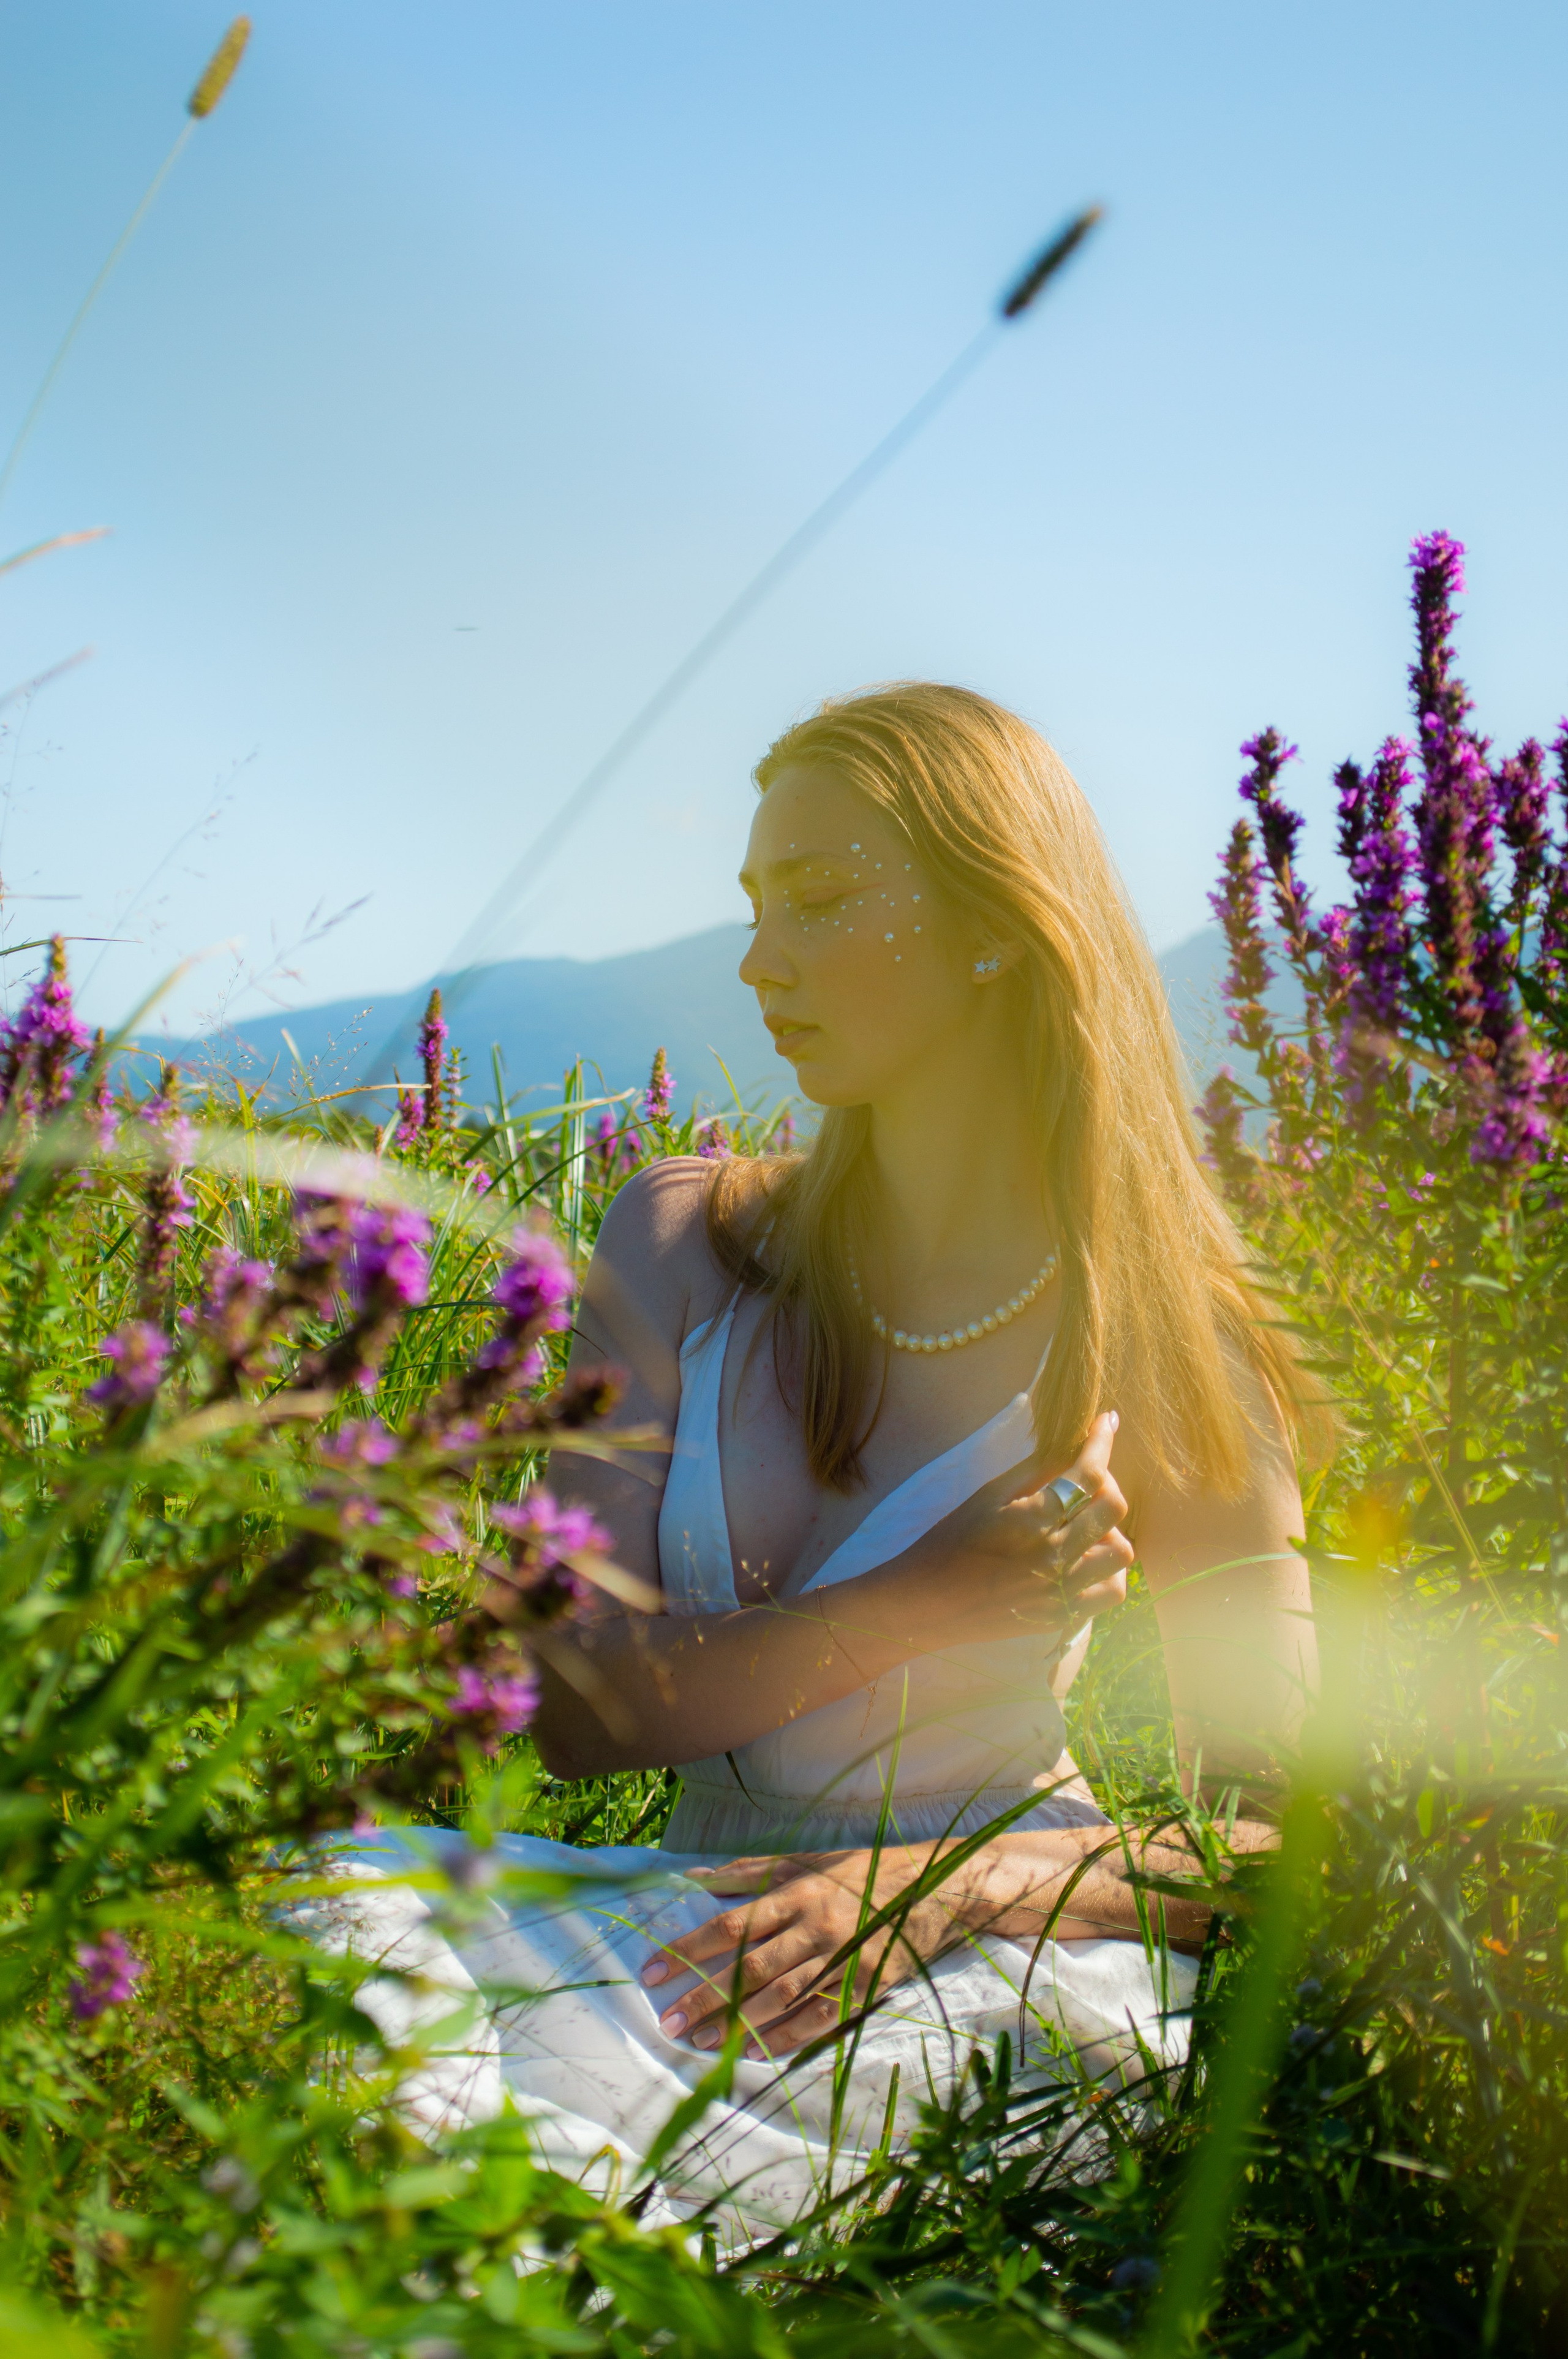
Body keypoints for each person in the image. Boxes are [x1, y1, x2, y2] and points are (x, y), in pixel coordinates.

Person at [306, 684, 1317, 2245]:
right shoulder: (679, 1242)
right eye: (754, 906)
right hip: (691, 1910)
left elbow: (1284, 1845)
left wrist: (942, 1891)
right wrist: (936, 1597)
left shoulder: (1165, 1335)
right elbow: (567, 1711)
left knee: (587, 2200)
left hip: (993, 1948)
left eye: (824, 901)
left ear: (998, 923)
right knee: (323, 1917)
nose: (759, 962)